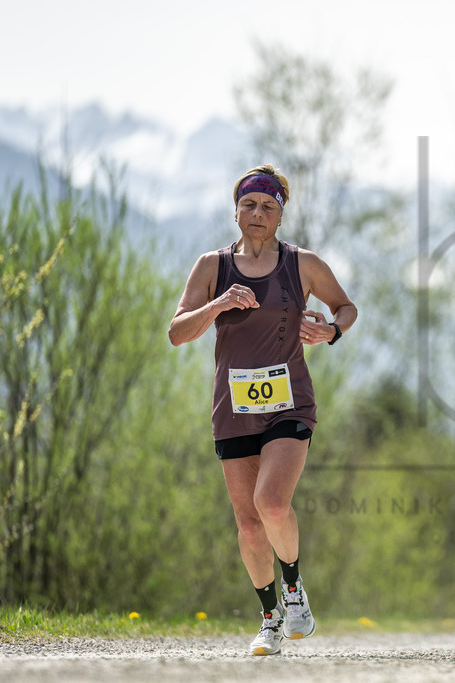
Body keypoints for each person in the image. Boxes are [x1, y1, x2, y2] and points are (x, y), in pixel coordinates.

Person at [168, 164, 357, 656]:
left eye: (268, 206)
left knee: (271, 503)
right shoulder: (212, 266)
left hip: (289, 402)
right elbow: (177, 331)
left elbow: (346, 306)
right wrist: (217, 305)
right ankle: (269, 619)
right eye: (249, 204)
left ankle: (293, 588)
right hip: (233, 409)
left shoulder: (303, 264)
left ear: (279, 216)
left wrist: (331, 330)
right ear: (236, 211)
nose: (258, 213)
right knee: (248, 523)